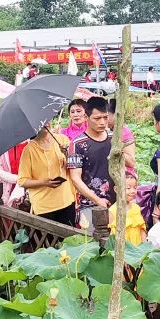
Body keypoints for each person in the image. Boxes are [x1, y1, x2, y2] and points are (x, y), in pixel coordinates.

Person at [67, 96, 114, 229]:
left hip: (116, 203)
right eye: (97, 118)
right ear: (87, 118)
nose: (102, 122)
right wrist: (97, 200)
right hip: (90, 205)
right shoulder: (76, 144)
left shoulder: (113, 138)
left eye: (105, 117)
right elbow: (75, 179)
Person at [17, 122, 75, 225]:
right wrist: (43, 182)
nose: (45, 123)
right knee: (46, 240)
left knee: (70, 239)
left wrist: (66, 153)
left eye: (47, 119)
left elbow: (74, 168)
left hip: (66, 200)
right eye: (41, 121)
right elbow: (22, 181)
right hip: (44, 206)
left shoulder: (62, 140)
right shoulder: (29, 149)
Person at [108, 172, 146, 245]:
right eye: (128, 188)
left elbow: (142, 229)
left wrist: (144, 247)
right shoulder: (112, 210)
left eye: (135, 187)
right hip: (123, 249)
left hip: (138, 250)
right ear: (116, 189)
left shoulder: (136, 208)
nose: (133, 191)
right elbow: (113, 235)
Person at [106, 97, 136, 171]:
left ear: (115, 115)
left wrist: (116, 150)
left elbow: (131, 162)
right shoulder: (110, 131)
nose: (103, 120)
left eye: (106, 117)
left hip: (124, 174)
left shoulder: (124, 133)